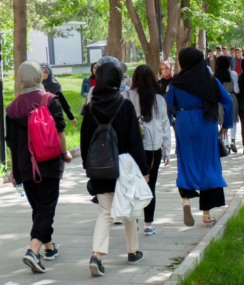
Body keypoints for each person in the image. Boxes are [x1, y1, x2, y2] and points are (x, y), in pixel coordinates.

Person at [81, 62, 147, 276]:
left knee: (106, 213)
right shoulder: (125, 105)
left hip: (100, 168)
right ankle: (133, 251)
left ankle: (97, 255)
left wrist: (87, 167)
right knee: (129, 209)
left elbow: (84, 142)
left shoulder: (89, 108)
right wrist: (144, 170)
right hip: (124, 168)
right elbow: (135, 141)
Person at [6, 60, 72, 273]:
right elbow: (60, 130)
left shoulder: (12, 108)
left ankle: (49, 248)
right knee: (46, 207)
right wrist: (65, 152)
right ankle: (33, 251)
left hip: (24, 167)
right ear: (38, 77)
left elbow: (11, 143)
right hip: (49, 162)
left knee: (39, 207)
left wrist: (12, 169)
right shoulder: (50, 100)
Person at [165, 47, 233, 228]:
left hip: (184, 122)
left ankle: (186, 200)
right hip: (206, 122)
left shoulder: (176, 82)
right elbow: (228, 101)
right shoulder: (209, 79)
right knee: (208, 164)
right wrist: (225, 125)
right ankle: (206, 214)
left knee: (186, 162)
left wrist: (172, 119)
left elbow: (168, 106)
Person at [123, 65, 171, 236]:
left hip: (131, 148)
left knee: (132, 185)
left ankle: (133, 221)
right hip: (153, 147)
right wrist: (166, 149)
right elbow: (164, 124)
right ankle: (148, 224)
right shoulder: (159, 99)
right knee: (150, 185)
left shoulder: (126, 96)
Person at [214, 56, 240, 154]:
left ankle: (226, 144)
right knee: (233, 120)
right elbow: (237, 89)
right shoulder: (233, 74)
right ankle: (233, 141)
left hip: (220, 100)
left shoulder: (214, 76)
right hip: (232, 97)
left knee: (223, 121)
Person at [41, 62, 78, 126]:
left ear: (49, 72)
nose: (43, 74)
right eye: (41, 72)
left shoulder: (55, 86)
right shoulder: (37, 85)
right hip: (41, 116)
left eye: (45, 72)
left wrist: (71, 117)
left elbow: (63, 102)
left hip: (55, 115)